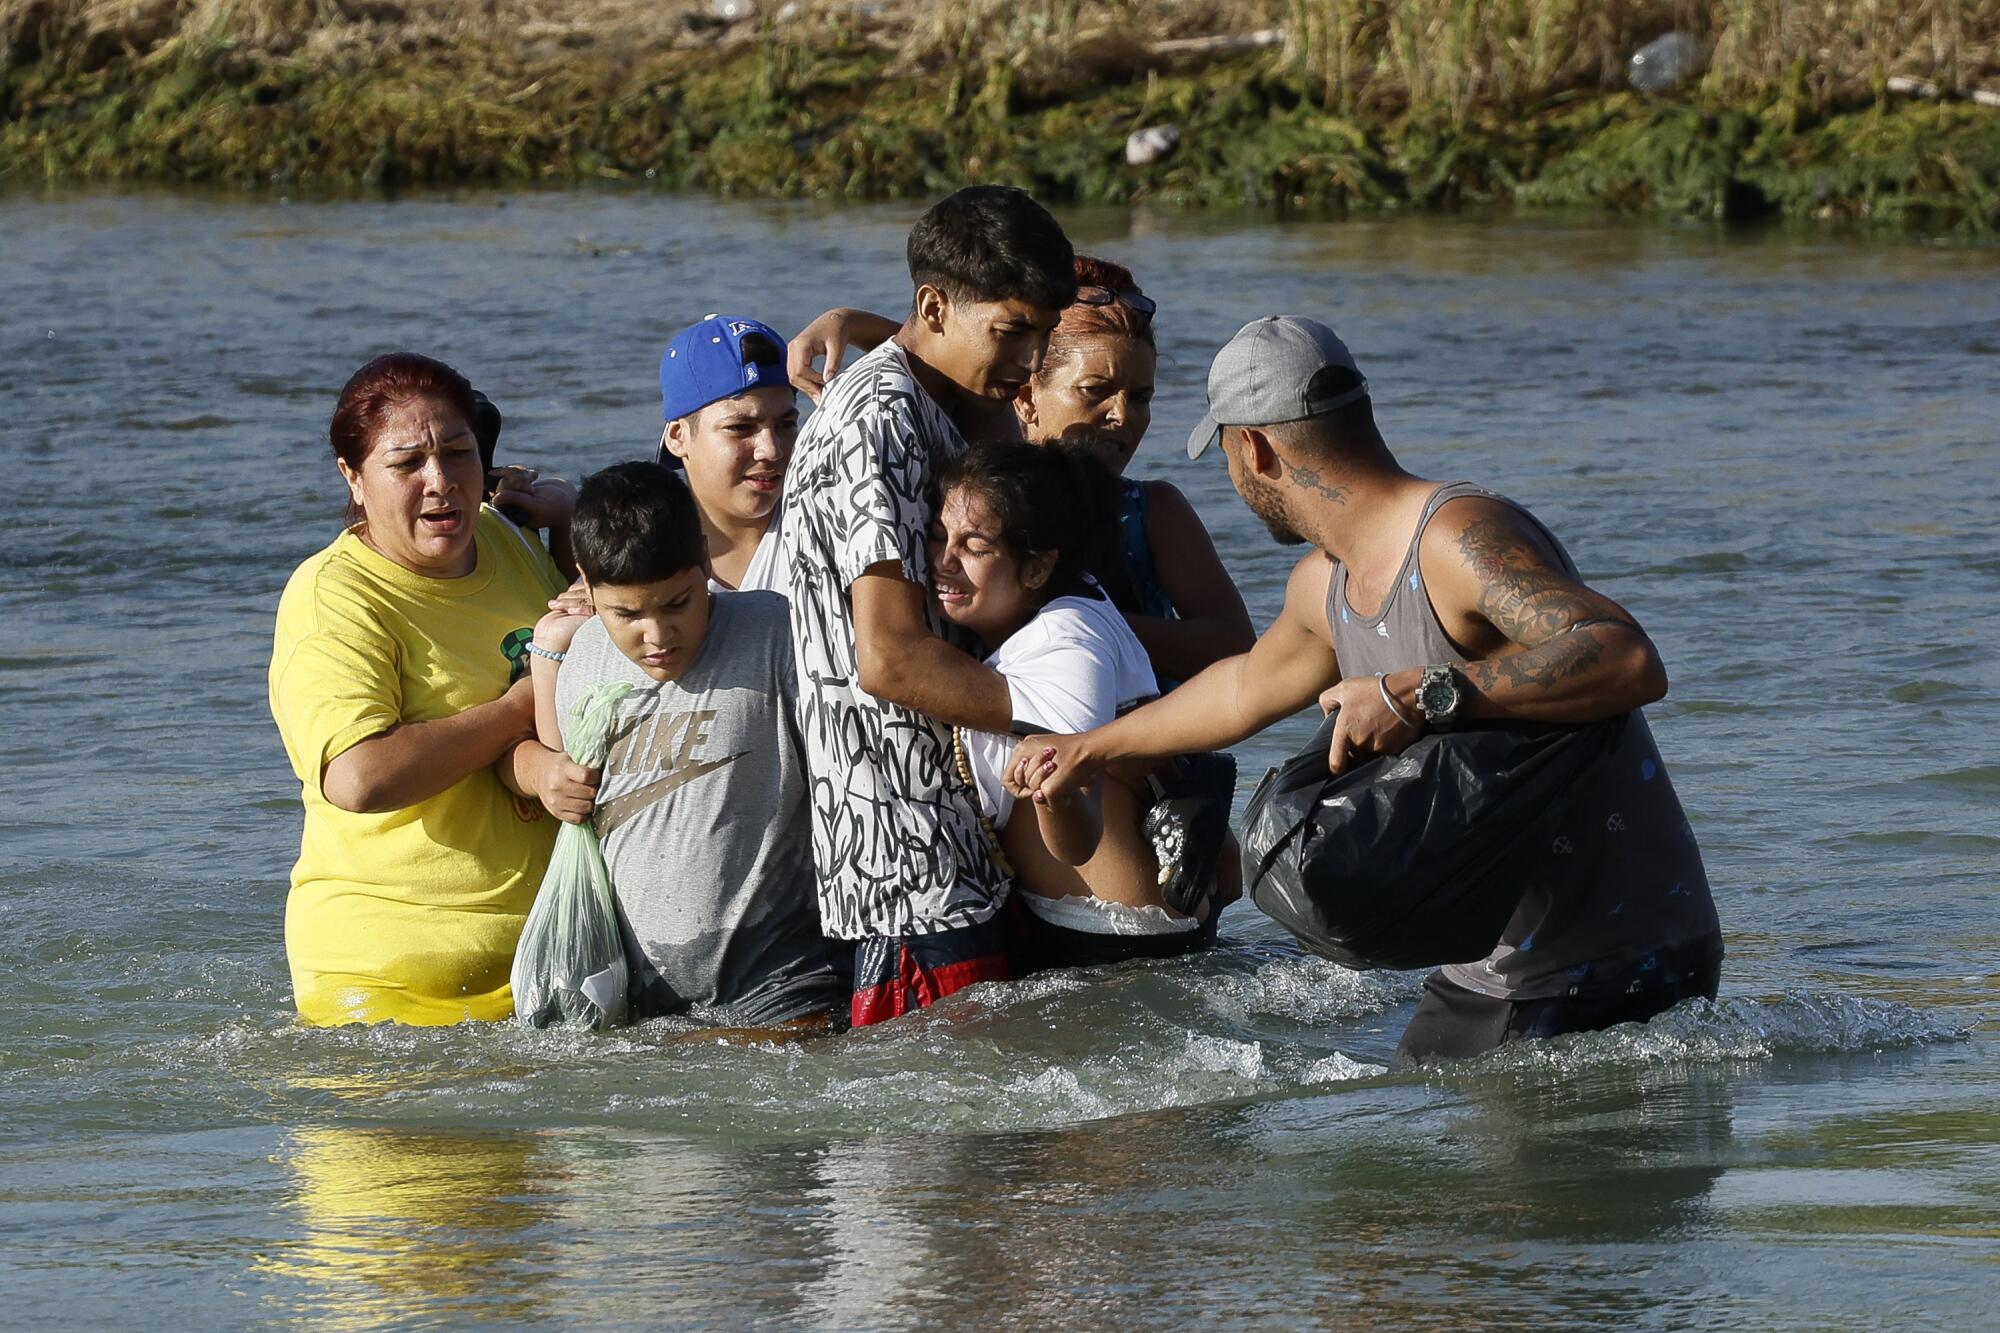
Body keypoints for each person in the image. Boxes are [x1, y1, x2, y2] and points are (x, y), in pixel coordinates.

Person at [1011, 316, 1723, 1066]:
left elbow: (1625, 655)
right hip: (1491, 965)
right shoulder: (1326, 583)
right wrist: (1088, 749)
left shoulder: (1455, 537)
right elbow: (1243, 689)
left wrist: (1422, 694)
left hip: (1622, 954)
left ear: (1252, 446)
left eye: (1224, 454)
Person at [780, 183, 1076, 1026]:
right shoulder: (880, 419)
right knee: (925, 1159)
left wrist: (868, 323)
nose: (1030, 361)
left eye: (1044, 335)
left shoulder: (943, 399)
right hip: (903, 863)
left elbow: (940, 358)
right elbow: (890, 658)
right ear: (936, 305)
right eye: (1011, 332)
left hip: (955, 847)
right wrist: (1074, 728)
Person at [268, 352, 578, 1026]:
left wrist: (573, 524)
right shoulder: (335, 596)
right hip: (386, 988)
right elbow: (358, 776)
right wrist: (518, 706)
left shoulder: (509, 541)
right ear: (352, 477)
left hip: (545, 963)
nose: (441, 483)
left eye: (459, 454)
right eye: (407, 464)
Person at [787, 254, 1254, 684]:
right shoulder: (971, 472)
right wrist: (845, 321)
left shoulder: (1151, 511)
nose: (1122, 415)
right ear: (1025, 395)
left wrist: (1069, 619)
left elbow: (1235, 647)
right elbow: (946, 353)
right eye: (1096, 390)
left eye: (1141, 397)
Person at [521, 462, 848, 1027]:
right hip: (641, 999)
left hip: (782, 982)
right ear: (585, 584)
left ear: (702, 558)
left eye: (677, 604)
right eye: (626, 613)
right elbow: (560, 780)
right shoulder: (583, 658)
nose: (657, 636)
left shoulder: (775, 633)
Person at [933, 443, 1236, 969]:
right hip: (1144, 934)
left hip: (1113, 944)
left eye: (975, 547)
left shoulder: (1064, 641)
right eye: (939, 537)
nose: (944, 561)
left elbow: (1080, 840)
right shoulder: (1077, 601)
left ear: (1036, 568)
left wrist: (1057, 792)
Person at [655, 314, 799, 593]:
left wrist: (847, 324)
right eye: (740, 427)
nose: (771, 449)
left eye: (786, 424)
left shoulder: (829, 523)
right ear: (678, 437)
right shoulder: (638, 551)